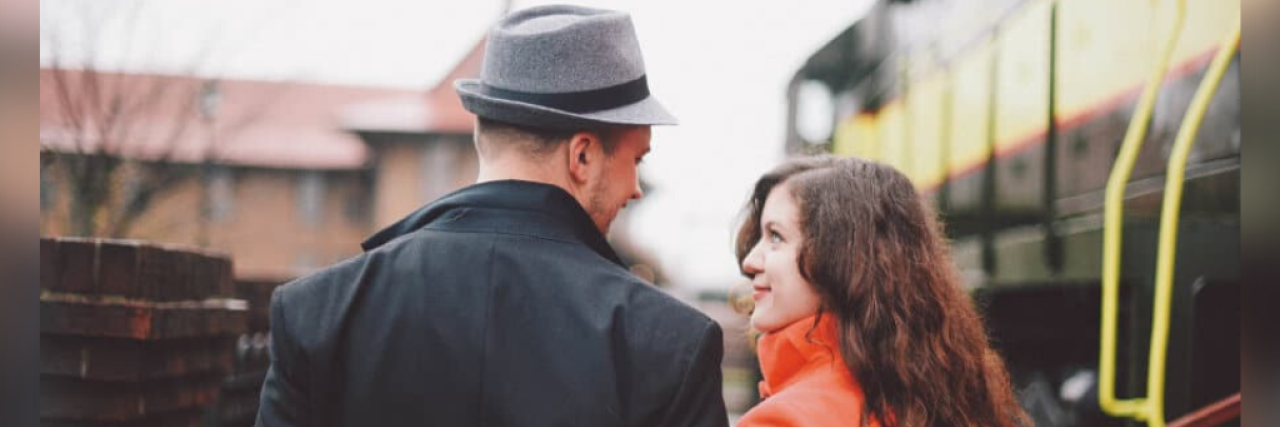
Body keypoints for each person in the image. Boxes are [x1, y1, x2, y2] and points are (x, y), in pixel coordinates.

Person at [255, 5, 727, 427]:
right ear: (581, 156)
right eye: (637, 161)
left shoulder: (320, 310)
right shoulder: (669, 343)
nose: (637, 189)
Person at [733, 156, 1027, 427]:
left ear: (840, 261)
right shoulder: (934, 400)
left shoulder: (784, 420)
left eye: (776, 236)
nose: (750, 261)